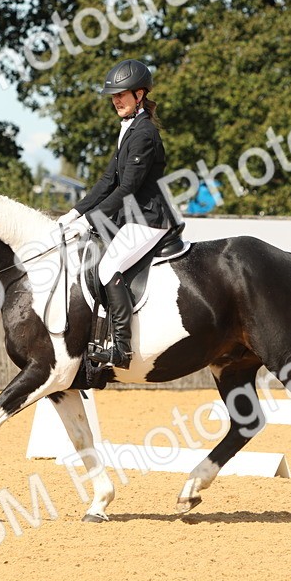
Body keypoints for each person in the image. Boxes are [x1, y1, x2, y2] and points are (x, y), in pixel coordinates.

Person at [57, 59, 178, 369]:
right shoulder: (129, 129)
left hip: (150, 219)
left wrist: (88, 221)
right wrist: (73, 213)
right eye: (113, 96)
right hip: (132, 218)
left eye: (121, 95)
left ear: (139, 95)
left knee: (109, 267)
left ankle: (122, 349)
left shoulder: (144, 132)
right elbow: (107, 182)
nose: (116, 101)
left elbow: (127, 189)